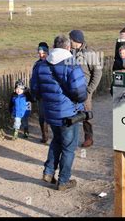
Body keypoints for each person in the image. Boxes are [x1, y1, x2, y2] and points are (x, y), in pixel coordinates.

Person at [31, 35, 87, 191]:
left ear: (54, 47)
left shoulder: (41, 66)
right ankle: (63, 181)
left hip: (50, 112)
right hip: (68, 113)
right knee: (69, 147)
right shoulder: (72, 65)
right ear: (68, 47)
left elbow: (34, 90)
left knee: (56, 140)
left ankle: (48, 172)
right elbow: (80, 92)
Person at [69, 30, 103, 148]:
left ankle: (88, 138)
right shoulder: (69, 52)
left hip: (85, 90)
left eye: (71, 39)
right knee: (71, 114)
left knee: (86, 114)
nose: (69, 41)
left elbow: (98, 72)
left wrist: (90, 89)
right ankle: (71, 139)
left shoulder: (89, 54)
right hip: (71, 90)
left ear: (76, 41)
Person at [33, 42, 50, 143]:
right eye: (39, 52)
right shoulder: (37, 65)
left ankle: (58, 137)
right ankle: (45, 136)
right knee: (42, 117)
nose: (41, 54)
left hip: (52, 94)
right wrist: (34, 93)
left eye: (43, 52)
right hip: (41, 95)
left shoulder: (52, 63)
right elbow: (34, 81)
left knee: (54, 115)